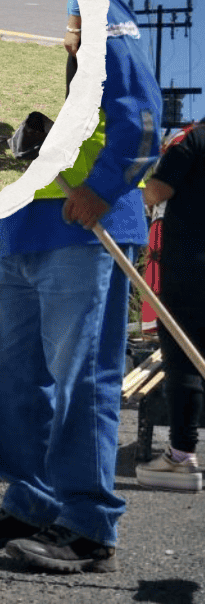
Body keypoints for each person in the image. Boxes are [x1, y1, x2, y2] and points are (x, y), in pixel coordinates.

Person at [0, 0, 162, 572]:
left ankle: (89, 526)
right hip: (22, 231)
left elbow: (141, 114)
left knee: (80, 379)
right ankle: (31, 502)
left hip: (85, 224)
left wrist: (105, 187)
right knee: (12, 378)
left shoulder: (92, 8)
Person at [135, 120, 205, 492]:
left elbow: (158, 189)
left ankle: (181, 458)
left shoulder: (192, 138)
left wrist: (141, 192)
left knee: (184, 362)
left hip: (190, 272)